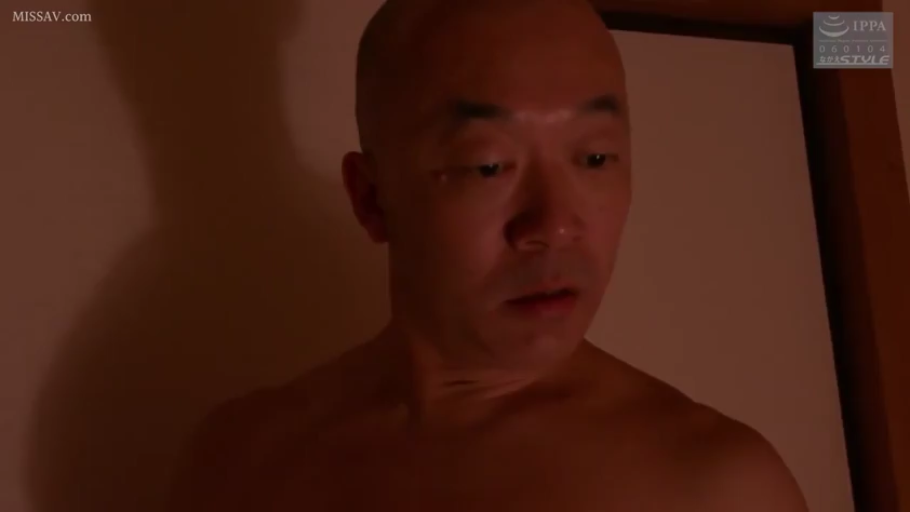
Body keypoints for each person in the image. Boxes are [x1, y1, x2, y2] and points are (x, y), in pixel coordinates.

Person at [169, 0, 810, 510]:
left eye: (594, 157)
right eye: (487, 165)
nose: (554, 225)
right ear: (372, 198)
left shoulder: (715, 486)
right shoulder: (241, 462)